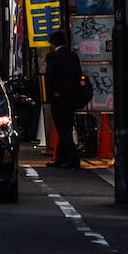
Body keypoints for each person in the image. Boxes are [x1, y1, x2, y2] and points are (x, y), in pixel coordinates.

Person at [42, 27, 85, 169]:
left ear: (53, 44)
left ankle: (74, 160)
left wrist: (53, 93)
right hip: (72, 98)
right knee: (65, 128)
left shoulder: (53, 57)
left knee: (63, 130)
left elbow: (50, 77)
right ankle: (60, 159)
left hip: (59, 99)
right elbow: (78, 75)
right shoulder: (73, 56)